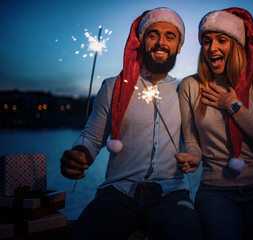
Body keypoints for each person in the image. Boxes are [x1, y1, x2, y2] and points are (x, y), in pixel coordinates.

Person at [60, 7, 202, 240]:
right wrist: (79, 154)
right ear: (141, 41)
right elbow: (93, 137)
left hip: (172, 193)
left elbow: (197, 142)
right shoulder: (113, 86)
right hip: (117, 193)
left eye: (170, 36)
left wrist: (196, 156)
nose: (161, 42)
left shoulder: (185, 90)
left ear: (179, 46)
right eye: (153, 34)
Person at [175, 8, 253, 240]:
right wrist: (194, 157)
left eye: (221, 40)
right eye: (206, 41)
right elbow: (190, 139)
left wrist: (234, 106)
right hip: (215, 190)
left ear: (237, 45)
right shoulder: (190, 86)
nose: (212, 48)